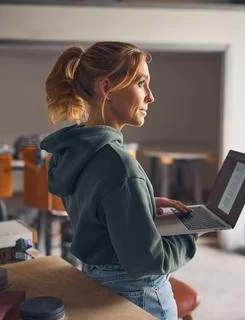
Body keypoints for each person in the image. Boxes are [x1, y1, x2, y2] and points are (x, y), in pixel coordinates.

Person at [40, 42, 198, 320]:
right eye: (141, 83)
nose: (151, 96)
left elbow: (97, 207)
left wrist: (140, 203)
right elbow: (148, 262)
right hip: (139, 294)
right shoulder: (120, 166)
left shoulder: (75, 151)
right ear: (107, 88)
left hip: (96, 278)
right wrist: (191, 232)